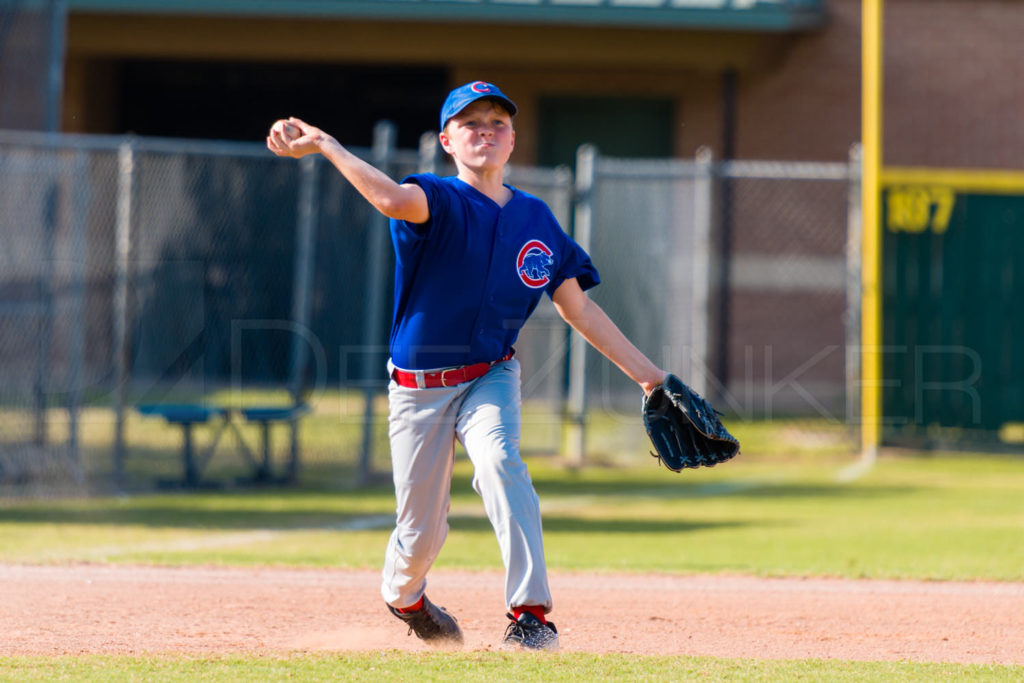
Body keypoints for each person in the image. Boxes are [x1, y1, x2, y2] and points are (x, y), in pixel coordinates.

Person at [267, 81, 667, 651]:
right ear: (448, 141)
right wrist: (329, 144)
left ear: (512, 140)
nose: (485, 132)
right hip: (418, 389)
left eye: (497, 123)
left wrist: (651, 376)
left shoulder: (535, 218)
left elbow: (578, 307)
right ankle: (405, 597)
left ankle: (531, 617)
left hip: (490, 374)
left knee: (503, 464)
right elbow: (388, 199)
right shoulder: (435, 197)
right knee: (421, 534)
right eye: (471, 124)